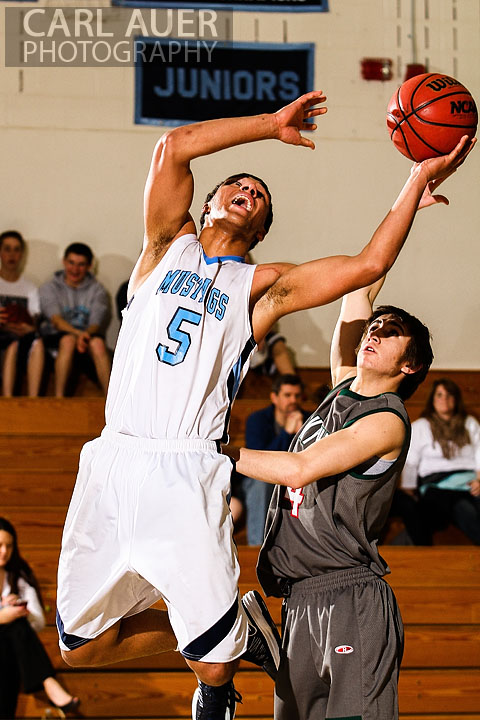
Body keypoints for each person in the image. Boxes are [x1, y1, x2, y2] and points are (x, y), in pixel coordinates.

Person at [55, 90, 474, 720]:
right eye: (238, 185)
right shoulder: (164, 245)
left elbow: (368, 266)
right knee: (77, 648)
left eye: (261, 197)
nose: (249, 190)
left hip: (187, 463)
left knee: (217, 664)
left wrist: (415, 180)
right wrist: (268, 127)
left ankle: (220, 674)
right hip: (111, 457)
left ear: (261, 230)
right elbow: (172, 146)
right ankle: (227, 629)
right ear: (209, 202)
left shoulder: (261, 290)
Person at [231, 270, 435, 720]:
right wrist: (408, 202)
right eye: (375, 325)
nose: (375, 331)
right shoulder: (342, 390)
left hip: (349, 595)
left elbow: (299, 469)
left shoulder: (387, 420)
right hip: (298, 600)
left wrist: (215, 453)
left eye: (392, 331)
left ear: (410, 365)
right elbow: (360, 282)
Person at [0, 517, 81, 719]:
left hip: (7, 650)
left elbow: (36, 622)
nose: (4, 552)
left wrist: (18, 609)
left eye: (9, 546)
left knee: (16, 628)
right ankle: (48, 683)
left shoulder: (18, 577)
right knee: (13, 627)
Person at [400, 377, 480, 544]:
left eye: (449, 395)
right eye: (439, 395)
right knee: (462, 507)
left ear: (456, 399)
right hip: (436, 485)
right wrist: (410, 490)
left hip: (470, 483)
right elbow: (410, 461)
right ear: (433, 400)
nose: (444, 399)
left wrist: (479, 480)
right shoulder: (421, 426)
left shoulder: (469, 423)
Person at [241, 373, 310, 544]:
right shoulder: (257, 420)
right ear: (274, 397)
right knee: (261, 483)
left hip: (295, 478)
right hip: (259, 478)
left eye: (296, 396)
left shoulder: (309, 419)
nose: (293, 400)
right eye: (287, 395)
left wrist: (301, 435)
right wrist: (286, 433)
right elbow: (258, 462)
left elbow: (312, 458)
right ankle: (258, 547)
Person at [39, 242, 112, 397]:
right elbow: (56, 320)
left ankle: (112, 403)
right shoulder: (49, 287)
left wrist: (84, 335)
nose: (75, 269)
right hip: (56, 336)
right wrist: (79, 335)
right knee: (68, 341)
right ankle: (59, 399)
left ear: (89, 266)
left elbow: (95, 323)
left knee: (98, 344)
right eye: (71, 263)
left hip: (86, 336)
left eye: (81, 265)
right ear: (64, 262)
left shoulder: (97, 289)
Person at [0, 230, 44, 396]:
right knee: (11, 343)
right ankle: (7, 401)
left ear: (22, 254)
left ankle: (34, 401)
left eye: (16, 249)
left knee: (37, 343)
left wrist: (27, 327)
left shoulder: (29, 287)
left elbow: (33, 320)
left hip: (20, 337)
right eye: (7, 249)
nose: (12, 254)